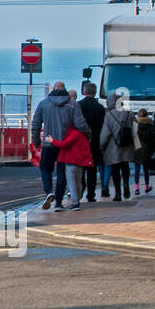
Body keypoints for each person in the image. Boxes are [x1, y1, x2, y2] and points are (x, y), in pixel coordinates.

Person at [30, 81, 92, 212]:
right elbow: (80, 124)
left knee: (45, 168)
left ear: (52, 90)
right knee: (62, 173)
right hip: (67, 144)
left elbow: (36, 124)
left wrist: (36, 141)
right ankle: (58, 202)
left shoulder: (44, 104)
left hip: (49, 143)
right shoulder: (73, 104)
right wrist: (88, 135)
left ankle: (48, 191)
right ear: (65, 90)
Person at [99, 92, 137, 202]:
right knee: (125, 167)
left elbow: (105, 134)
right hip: (127, 145)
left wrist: (101, 146)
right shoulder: (129, 113)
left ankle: (118, 193)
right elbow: (135, 130)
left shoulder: (109, 116)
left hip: (113, 147)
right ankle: (126, 184)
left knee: (115, 171)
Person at [78, 82, 106, 202]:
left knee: (80, 168)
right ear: (95, 92)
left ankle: (81, 187)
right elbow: (102, 125)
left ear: (84, 92)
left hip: (81, 141)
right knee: (92, 169)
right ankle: (91, 194)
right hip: (95, 141)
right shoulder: (99, 107)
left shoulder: (79, 105)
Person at [134, 109, 155, 195]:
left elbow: (133, 137)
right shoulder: (150, 125)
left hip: (137, 148)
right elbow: (153, 139)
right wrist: (152, 150)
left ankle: (136, 188)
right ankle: (147, 186)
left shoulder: (135, 125)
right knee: (146, 169)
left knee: (137, 168)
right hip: (147, 149)